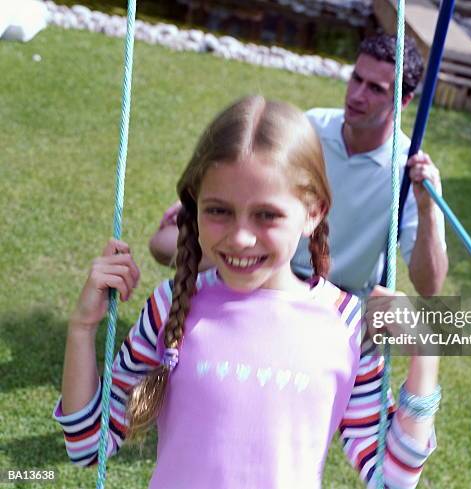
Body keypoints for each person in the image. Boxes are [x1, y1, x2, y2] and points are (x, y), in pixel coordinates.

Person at [53, 96, 440, 488]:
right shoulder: (172, 305)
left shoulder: (347, 326)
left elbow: (393, 479)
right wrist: (83, 328)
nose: (240, 238)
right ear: (194, 206)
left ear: (313, 213)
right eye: (219, 210)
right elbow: (88, 444)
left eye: (267, 215)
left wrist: (425, 353)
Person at [149, 34, 448, 299]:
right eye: (356, 79)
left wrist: (428, 211)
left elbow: (429, 287)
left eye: (375, 89)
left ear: (404, 101)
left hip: (339, 290)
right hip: (274, 258)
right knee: (164, 243)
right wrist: (197, 204)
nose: (357, 95)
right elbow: (252, 171)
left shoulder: (408, 171)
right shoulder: (312, 125)